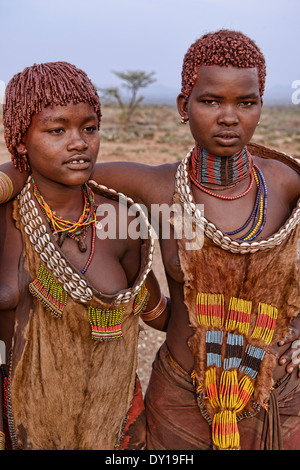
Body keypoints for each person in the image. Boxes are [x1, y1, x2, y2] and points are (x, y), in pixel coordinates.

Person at [1, 30, 300, 450]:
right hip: (181, 396)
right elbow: (51, 163)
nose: (229, 117)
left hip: (278, 396)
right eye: (211, 101)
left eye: (245, 103)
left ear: (261, 106)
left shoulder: (287, 182)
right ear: (184, 106)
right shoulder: (158, 186)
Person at [0, 61, 170, 450]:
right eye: (56, 130)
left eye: (89, 128)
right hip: (17, 423)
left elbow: (156, 310)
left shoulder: (122, 220)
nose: (79, 142)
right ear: (21, 139)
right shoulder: (5, 219)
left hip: (110, 421)